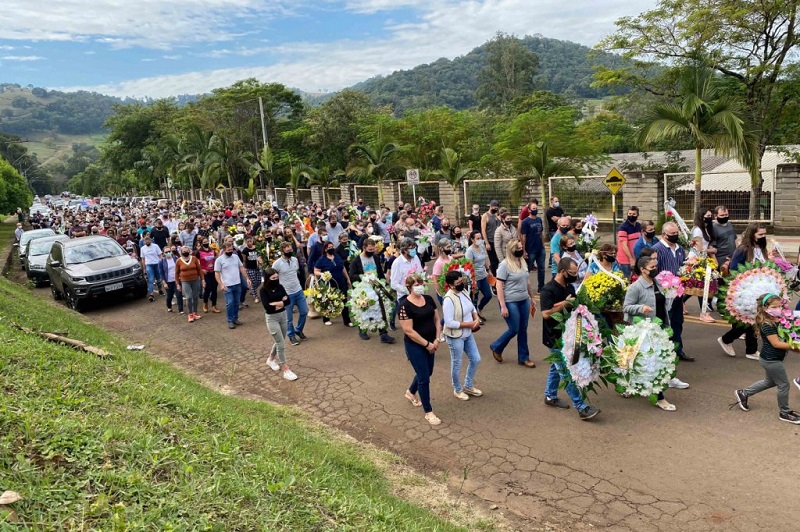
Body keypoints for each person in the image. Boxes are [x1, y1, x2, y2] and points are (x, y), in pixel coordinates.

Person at [541, 258, 600, 420]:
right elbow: (545, 314)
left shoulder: (569, 286)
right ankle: (581, 407)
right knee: (566, 372)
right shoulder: (548, 290)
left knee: (556, 367)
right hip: (554, 338)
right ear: (562, 272)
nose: (575, 276)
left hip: (567, 336)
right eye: (572, 273)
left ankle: (550, 396)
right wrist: (564, 304)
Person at [623, 255, 679, 411]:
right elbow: (626, 307)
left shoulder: (658, 283)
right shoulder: (636, 287)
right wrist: (641, 309)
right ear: (642, 269)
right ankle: (659, 398)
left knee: (649, 361)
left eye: (656, 266)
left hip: (660, 328)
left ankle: (630, 385)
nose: (655, 270)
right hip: (644, 332)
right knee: (652, 362)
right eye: (652, 267)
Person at [734, 293, 800, 424]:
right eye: (774, 306)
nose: (778, 309)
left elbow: (785, 337)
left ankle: (744, 393)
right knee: (784, 384)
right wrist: (795, 345)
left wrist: (794, 344)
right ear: (765, 308)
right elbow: (776, 343)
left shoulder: (778, 320)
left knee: (769, 382)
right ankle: (784, 412)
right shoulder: (767, 325)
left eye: (780, 306)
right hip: (771, 360)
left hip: (771, 358)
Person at [717, 223, 771, 360]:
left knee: (753, 320)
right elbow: (734, 270)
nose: (763, 237)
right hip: (744, 290)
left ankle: (751, 350)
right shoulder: (743, 249)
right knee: (745, 321)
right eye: (760, 235)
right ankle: (726, 339)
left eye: (764, 234)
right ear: (752, 234)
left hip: (758, 290)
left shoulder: (761, 248)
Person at [399, 273, 443, 426]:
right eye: (416, 284)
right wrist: (426, 344)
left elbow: (437, 319)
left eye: (421, 283)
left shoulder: (429, 299)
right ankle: (428, 411)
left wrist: (437, 338)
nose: (419, 286)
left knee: (427, 371)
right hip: (415, 345)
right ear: (409, 287)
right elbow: (409, 331)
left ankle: (410, 392)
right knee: (424, 377)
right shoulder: (404, 306)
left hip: (432, 341)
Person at [489, 239, 536, 367]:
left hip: (523, 300)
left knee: (523, 329)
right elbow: (499, 286)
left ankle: (524, 357)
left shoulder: (522, 262)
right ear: (511, 250)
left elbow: (527, 281)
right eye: (518, 248)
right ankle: (496, 346)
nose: (521, 250)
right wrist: (503, 306)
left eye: (521, 247)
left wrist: (532, 298)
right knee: (514, 328)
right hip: (510, 301)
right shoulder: (504, 265)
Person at [652, 222, 693, 362]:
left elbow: (683, 267)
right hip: (664, 294)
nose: (675, 236)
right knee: (665, 323)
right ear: (664, 234)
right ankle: (665, 352)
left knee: (677, 322)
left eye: (677, 233)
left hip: (677, 293)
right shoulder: (656, 250)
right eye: (672, 234)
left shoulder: (680, 249)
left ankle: (677, 349)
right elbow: (653, 271)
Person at [442, 271, 483, 401]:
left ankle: (468, 385)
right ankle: (458, 389)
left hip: (468, 334)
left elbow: (472, 307)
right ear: (451, 285)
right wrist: (469, 324)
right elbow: (449, 322)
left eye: (461, 281)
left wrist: (476, 317)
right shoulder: (448, 299)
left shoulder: (464, 292)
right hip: (455, 337)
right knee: (457, 363)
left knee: (476, 359)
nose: (461, 283)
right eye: (458, 283)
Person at [349, 239, 395, 344]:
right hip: (364, 289)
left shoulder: (376, 257)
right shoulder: (356, 260)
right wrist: (363, 276)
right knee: (365, 309)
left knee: (380, 308)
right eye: (369, 249)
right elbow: (352, 276)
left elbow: (380, 273)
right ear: (364, 248)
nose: (371, 251)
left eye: (373, 249)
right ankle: (362, 329)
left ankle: (383, 333)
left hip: (377, 288)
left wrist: (386, 285)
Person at [260, 267, 298, 381]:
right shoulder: (263, 290)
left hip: (283, 316)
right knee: (281, 343)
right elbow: (267, 307)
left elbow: (288, 301)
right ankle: (286, 369)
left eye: (277, 277)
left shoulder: (280, 287)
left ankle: (271, 359)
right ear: (267, 279)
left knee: (280, 340)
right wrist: (281, 302)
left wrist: (276, 304)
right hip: (272, 319)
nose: (275, 279)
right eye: (273, 278)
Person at [272, 241, 309, 345]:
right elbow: (272, 277)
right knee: (289, 318)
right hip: (287, 293)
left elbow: (296, 272)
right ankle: (291, 335)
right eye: (287, 250)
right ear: (282, 251)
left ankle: (298, 329)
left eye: (291, 250)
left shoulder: (295, 260)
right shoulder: (277, 263)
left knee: (304, 311)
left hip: (298, 290)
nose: (290, 251)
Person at [214, 240, 252, 329]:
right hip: (227, 285)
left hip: (237, 283)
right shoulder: (219, 260)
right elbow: (217, 273)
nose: (230, 251)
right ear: (223, 250)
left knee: (236, 302)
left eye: (231, 249)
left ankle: (235, 318)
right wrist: (221, 284)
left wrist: (247, 278)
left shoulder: (235, 257)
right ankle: (230, 320)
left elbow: (242, 268)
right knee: (230, 303)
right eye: (228, 250)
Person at [314, 239, 352, 327]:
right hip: (330, 284)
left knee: (344, 300)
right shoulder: (321, 259)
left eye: (332, 247)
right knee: (329, 300)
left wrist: (347, 278)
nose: (331, 248)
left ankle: (347, 320)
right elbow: (316, 270)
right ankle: (326, 318)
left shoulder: (337, 256)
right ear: (325, 249)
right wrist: (322, 274)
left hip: (341, 281)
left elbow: (343, 268)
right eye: (329, 247)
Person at [689, 208, 718, 322]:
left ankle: (681, 302)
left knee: (697, 287)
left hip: (704, 259)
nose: (710, 217)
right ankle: (704, 312)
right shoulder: (697, 230)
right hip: (696, 259)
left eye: (710, 215)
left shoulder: (706, 229)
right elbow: (700, 249)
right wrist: (712, 252)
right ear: (701, 217)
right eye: (708, 215)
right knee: (701, 286)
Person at [390, 237, 423, 329]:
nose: (414, 250)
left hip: (417, 292)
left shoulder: (415, 257)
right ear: (404, 250)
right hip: (404, 295)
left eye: (414, 248)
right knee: (409, 321)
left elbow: (420, 273)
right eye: (411, 248)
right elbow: (394, 283)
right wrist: (408, 290)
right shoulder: (397, 263)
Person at [465, 230, 492, 323]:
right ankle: (475, 317)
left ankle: (479, 309)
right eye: (478, 238)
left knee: (488, 295)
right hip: (474, 277)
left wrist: (488, 270)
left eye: (481, 238)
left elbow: (485, 259)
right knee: (474, 298)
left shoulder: (481, 246)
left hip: (483, 276)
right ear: (472, 240)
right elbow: (469, 266)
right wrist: (473, 280)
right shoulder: (470, 251)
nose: (480, 240)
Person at [520, 200, 546, 291]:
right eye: (533, 208)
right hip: (530, 249)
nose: (535, 210)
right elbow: (524, 236)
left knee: (542, 269)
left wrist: (543, 246)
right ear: (529, 210)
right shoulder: (526, 222)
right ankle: (524, 287)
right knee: (527, 269)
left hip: (540, 249)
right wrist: (524, 251)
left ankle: (541, 287)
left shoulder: (539, 219)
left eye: (536, 208)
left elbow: (541, 233)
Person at [175, 245, 204, 323]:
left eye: (186, 251)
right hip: (185, 281)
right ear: (181, 252)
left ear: (189, 251)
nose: (185, 252)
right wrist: (177, 283)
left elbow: (199, 270)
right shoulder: (179, 261)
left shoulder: (194, 259)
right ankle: (190, 313)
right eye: (183, 251)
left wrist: (203, 280)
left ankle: (195, 312)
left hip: (195, 280)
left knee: (195, 296)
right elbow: (177, 273)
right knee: (189, 297)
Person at [196, 238, 220, 314]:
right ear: (201, 243)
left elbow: (216, 260)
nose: (206, 243)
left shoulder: (212, 250)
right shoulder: (199, 252)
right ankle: (205, 303)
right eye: (204, 242)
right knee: (207, 288)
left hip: (213, 272)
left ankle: (214, 305)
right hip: (205, 273)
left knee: (214, 289)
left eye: (207, 241)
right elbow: (196, 262)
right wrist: (201, 270)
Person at [158, 244, 184, 314]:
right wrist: (164, 283)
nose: (168, 253)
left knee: (179, 294)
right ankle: (169, 307)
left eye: (169, 251)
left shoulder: (176, 259)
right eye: (166, 252)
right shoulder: (161, 262)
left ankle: (181, 310)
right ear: (163, 253)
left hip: (176, 280)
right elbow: (161, 273)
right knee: (169, 296)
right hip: (168, 281)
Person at [617, 206, 641, 278]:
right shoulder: (623, 227)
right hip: (625, 260)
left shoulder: (639, 226)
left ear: (637, 215)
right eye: (629, 214)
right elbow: (624, 245)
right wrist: (631, 259)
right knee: (627, 280)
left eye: (634, 214)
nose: (631, 216)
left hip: (636, 258)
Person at [140, 234, 163, 301]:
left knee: (158, 279)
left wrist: (161, 263)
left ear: (150, 240)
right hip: (149, 265)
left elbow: (160, 255)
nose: (147, 242)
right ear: (144, 242)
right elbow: (143, 259)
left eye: (148, 241)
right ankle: (151, 294)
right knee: (150, 280)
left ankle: (160, 289)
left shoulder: (155, 246)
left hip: (157, 263)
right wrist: (144, 268)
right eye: (145, 241)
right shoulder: (142, 248)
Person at [481, 200, 501, 275]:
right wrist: (487, 243)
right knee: (493, 261)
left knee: (499, 260)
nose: (495, 209)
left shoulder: (497, 215)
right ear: (490, 206)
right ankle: (494, 280)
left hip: (498, 241)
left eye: (496, 207)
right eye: (494, 207)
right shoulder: (485, 216)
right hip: (490, 241)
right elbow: (483, 230)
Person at [241, 235, 262, 304]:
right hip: (250, 268)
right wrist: (245, 268)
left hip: (257, 267)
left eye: (251, 241)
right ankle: (255, 296)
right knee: (253, 282)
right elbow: (244, 260)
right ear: (245, 242)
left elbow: (260, 256)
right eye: (248, 242)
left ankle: (253, 290)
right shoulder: (245, 250)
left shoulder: (257, 248)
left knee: (258, 281)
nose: (250, 243)